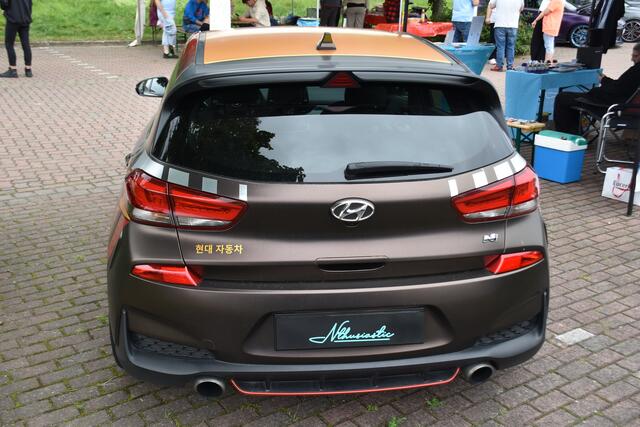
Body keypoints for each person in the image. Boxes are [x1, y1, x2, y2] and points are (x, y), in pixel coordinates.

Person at [553, 43, 640, 135]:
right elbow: (621, 86)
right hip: (620, 104)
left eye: (635, 56)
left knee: (562, 98)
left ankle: (567, 135)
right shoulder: (635, 70)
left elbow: (617, 89)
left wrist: (604, 80)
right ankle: (575, 133)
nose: (632, 59)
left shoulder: (636, 70)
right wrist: (606, 80)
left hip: (610, 106)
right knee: (571, 98)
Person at [487, 0, 523, 71]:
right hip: (513, 25)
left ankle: (499, 66)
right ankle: (510, 66)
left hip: (500, 24)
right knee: (511, 46)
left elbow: (491, 5)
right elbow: (521, 9)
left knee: (500, 47)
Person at [1, 0, 32, 78]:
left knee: (9, 44)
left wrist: (4, 9)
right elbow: (30, 4)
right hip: (25, 18)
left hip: (13, 19)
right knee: (26, 44)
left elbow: (4, 3)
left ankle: (13, 70)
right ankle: (28, 70)